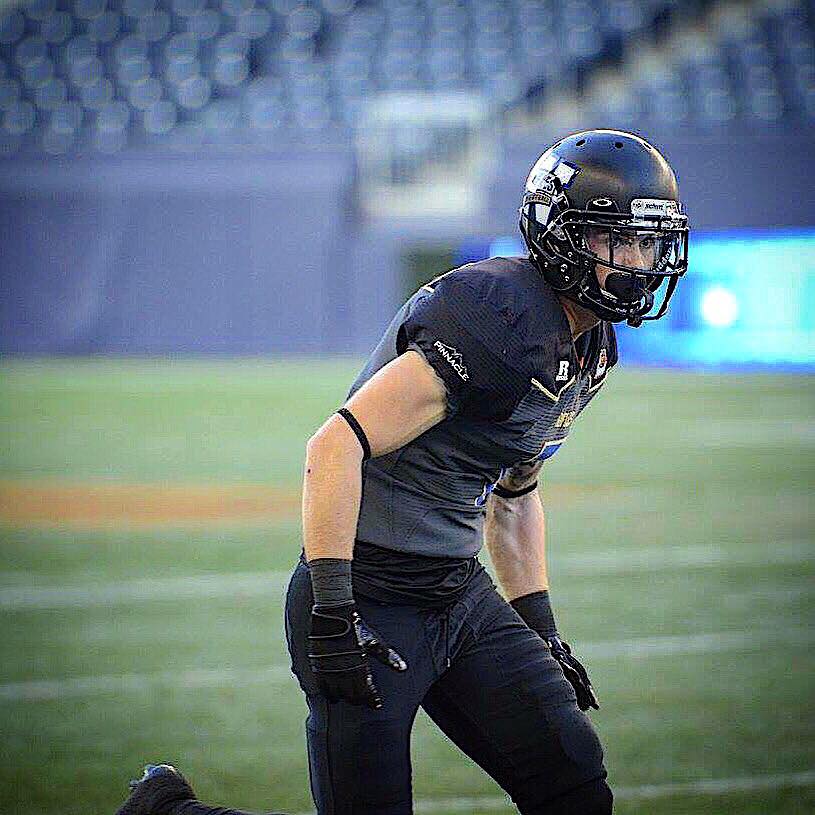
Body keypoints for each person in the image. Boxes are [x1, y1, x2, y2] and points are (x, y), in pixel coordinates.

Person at [116, 129, 688, 815]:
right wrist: (334, 608)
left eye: (648, 243)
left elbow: (514, 496)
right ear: (560, 235)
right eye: (617, 241)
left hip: (456, 594)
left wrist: (540, 628)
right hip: (370, 597)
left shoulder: (589, 347)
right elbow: (335, 445)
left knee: (573, 779)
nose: (639, 262)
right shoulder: (496, 318)